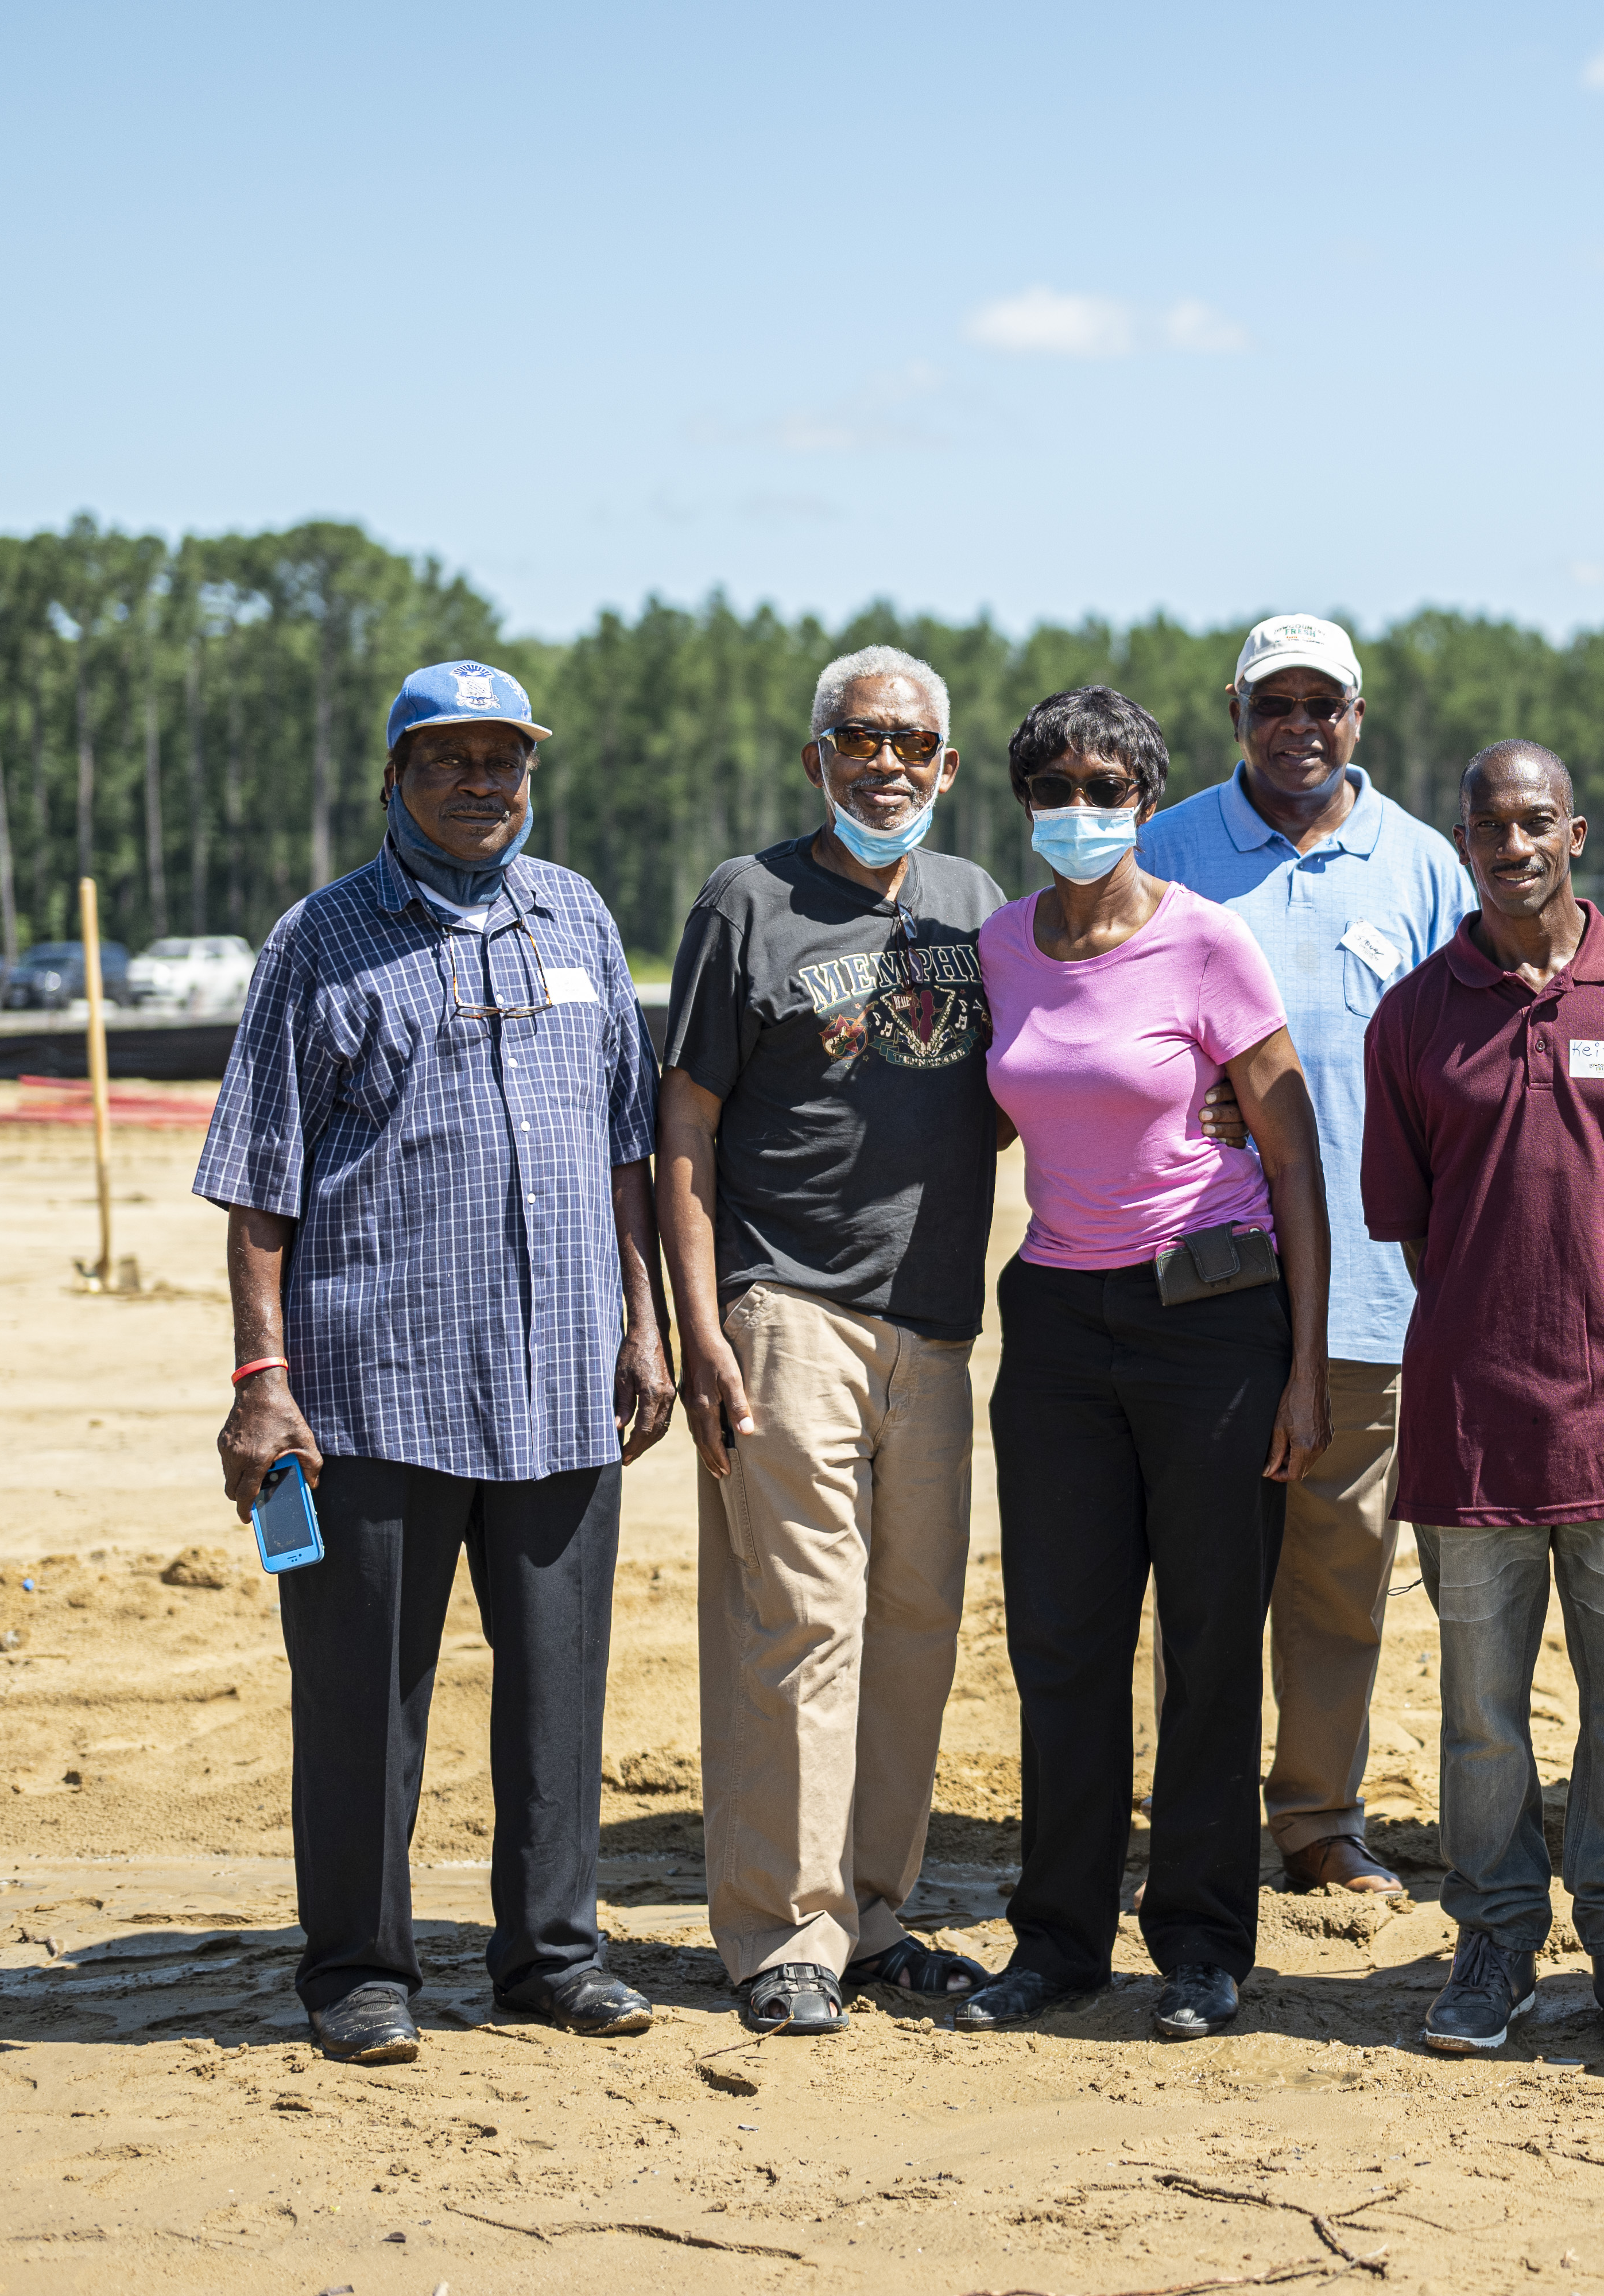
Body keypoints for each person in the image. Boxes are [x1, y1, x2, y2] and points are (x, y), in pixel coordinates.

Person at [197, 658, 673, 2065]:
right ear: (395, 778)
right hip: (371, 1394)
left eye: (505, 759)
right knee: (362, 1698)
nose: (484, 783)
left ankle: (554, 1955)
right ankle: (360, 1966)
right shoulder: (321, 940)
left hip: (561, 1384)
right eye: (450, 760)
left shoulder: (574, 913)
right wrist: (259, 1382)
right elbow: (257, 1184)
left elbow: (626, 1149)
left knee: (558, 1685)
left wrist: (641, 1320)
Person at [951, 686, 1333, 2043]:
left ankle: (1201, 1940)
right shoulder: (998, 944)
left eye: (1106, 789)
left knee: (1213, 1641)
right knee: (1060, 1640)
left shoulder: (1209, 942)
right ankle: (1056, 1937)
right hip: (1055, 1325)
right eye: (1053, 789)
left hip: (1213, 1322)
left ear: (1146, 802)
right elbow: (976, 1111)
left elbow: (1292, 1154)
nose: (1078, 813)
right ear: (1023, 804)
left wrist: (1303, 1365)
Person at [1363, 741, 1604, 2065]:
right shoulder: (1412, 1017)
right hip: (1471, 1428)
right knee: (1481, 1707)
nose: (1512, 844)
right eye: (1487, 825)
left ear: (1577, 832)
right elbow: (1415, 1233)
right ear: (1461, 841)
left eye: (1535, 822)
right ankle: (1498, 1940)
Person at [658, 644, 1003, 2037]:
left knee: (916, 1624)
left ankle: (871, 1911)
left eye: (912, 743)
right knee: (799, 1620)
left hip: (935, 1319)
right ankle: (780, 1933)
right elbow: (683, 1122)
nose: (886, 764)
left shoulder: (983, 906)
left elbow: (1049, 1077)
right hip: (786, 1304)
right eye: (859, 739)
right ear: (817, 757)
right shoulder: (746, 902)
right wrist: (699, 1324)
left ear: (947, 763)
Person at [1137, 615, 1471, 1899]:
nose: (1298, 727)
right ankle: (1197, 1815)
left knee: (1340, 1573)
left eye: (1320, 705)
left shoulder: (1426, 866)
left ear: (1358, 719)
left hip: (1378, 1285)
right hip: (1203, 1271)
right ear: (1236, 717)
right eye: (1272, 704)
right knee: (1208, 1570)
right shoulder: (1166, 853)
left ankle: (1318, 1818)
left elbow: (1466, 1047)